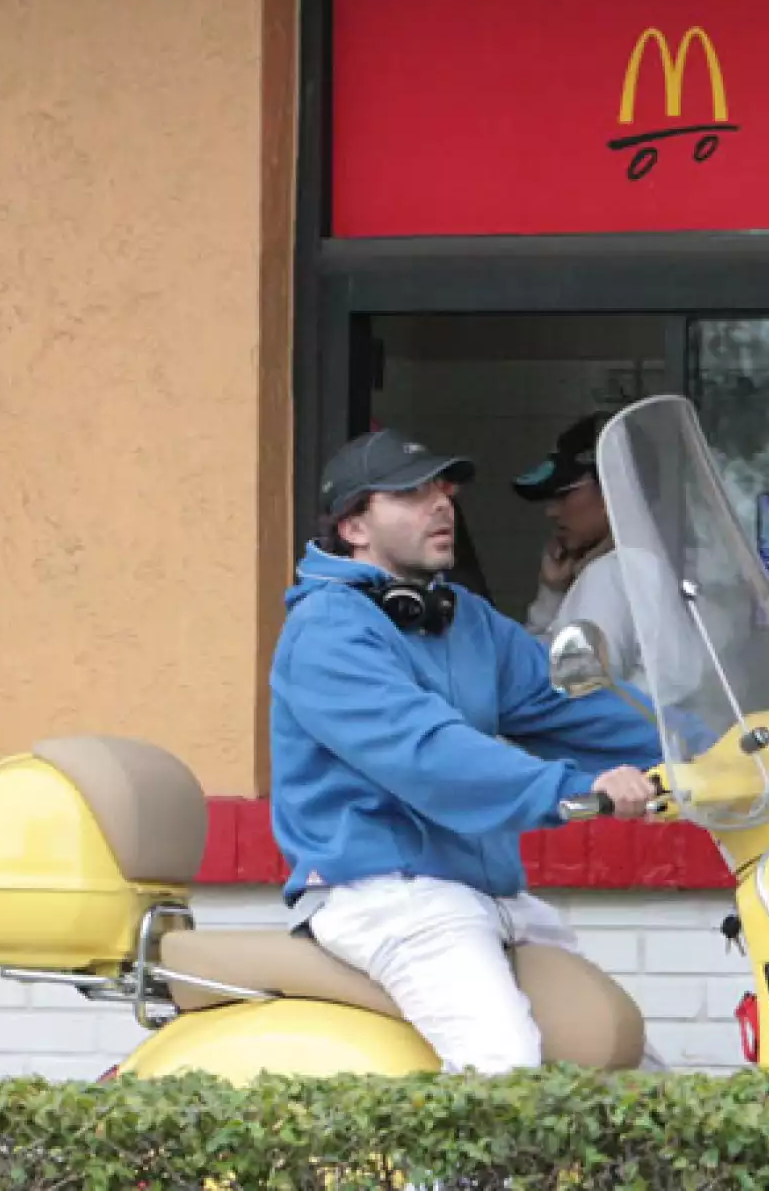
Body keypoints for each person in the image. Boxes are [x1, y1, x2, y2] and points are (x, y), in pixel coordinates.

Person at [267, 427, 666, 1075]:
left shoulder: (461, 618)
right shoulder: (327, 631)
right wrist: (563, 789)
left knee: (623, 1065)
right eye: (412, 492)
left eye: (443, 489)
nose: (442, 503)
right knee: (500, 1066)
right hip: (384, 892)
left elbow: (572, 702)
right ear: (355, 526)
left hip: (486, 892)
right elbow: (428, 754)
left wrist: (720, 744)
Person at [513, 411, 647, 692]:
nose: (551, 512)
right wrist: (553, 592)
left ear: (614, 489)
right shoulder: (664, 563)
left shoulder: (610, 575)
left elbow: (565, 693)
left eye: (564, 495)